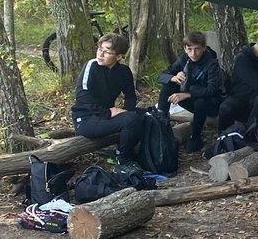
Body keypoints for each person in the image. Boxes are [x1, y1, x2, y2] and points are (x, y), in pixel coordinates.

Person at [72, 32, 143, 166]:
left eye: (107, 52)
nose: (100, 54)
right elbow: (82, 95)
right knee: (131, 119)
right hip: (86, 119)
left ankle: (124, 153)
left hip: (106, 117)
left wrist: (127, 111)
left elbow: (130, 96)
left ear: (119, 56)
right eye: (100, 49)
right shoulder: (92, 66)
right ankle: (123, 161)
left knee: (141, 116)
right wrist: (108, 113)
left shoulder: (123, 71)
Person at [157, 31, 225, 153]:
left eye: (197, 49)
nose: (193, 53)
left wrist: (187, 94)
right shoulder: (184, 59)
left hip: (210, 104)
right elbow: (161, 76)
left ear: (203, 48)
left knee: (200, 102)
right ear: (185, 48)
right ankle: (161, 126)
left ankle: (196, 136)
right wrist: (173, 77)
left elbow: (212, 90)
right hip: (189, 97)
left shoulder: (211, 63)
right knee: (167, 87)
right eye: (189, 49)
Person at [218, 28, 258, 133]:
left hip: (255, 101)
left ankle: (252, 134)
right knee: (226, 108)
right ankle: (223, 136)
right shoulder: (242, 58)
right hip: (240, 99)